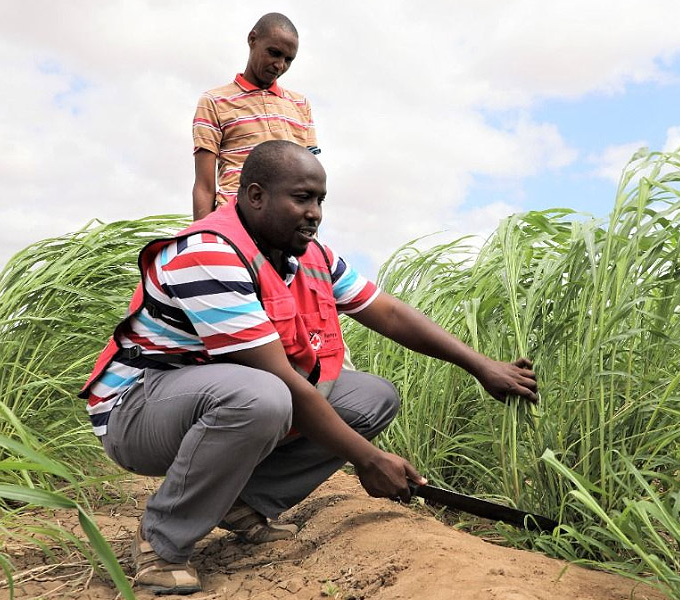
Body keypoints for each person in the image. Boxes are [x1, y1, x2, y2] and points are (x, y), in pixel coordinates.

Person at [79, 140, 538, 595]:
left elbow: (389, 313)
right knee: (263, 397)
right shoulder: (209, 251)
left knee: (372, 397)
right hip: (137, 410)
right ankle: (161, 541)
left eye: (320, 200)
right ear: (255, 195)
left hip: (219, 395)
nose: (315, 212)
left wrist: (481, 366)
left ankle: (241, 501)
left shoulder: (310, 256)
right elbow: (283, 384)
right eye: (302, 198)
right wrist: (369, 460)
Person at [192, 12, 319, 221]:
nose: (280, 65)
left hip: (288, 224)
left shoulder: (300, 104)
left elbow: (309, 182)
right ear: (252, 39)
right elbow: (204, 187)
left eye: (288, 59)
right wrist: (201, 238)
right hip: (237, 223)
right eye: (274, 53)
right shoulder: (214, 101)